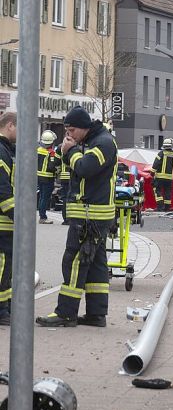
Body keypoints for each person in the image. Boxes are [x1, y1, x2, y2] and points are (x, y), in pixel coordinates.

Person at [36, 107, 118, 328]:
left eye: (72, 130)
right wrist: (69, 151)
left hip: (90, 216)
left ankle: (66, 313)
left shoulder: (103, 143)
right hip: (92, 215)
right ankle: (96, 314)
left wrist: (70, 151)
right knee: (96, 265)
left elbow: (85, 168)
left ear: (83, 127)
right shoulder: (90, 141)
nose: (69, 134)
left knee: (74, 262)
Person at [0, 113, 16, 326]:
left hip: (5, 222)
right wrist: (18, 216)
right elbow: (2, 189)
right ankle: (2, 311)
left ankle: (6, 307)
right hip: (3, 222)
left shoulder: (6, 150)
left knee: (6, 268)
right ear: (10, 125)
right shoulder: (2, 151)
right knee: (3, 267)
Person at [37, 129, 60, 224]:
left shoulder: (38, 150)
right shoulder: (52, 153)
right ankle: (43, 217)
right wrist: (57, 170)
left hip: (38, 177)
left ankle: (41, 215)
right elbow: (51, 167)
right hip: (48, 178)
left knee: (41, 197)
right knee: (45, 198)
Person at [150, 138, 173, 211]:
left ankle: (160, 207)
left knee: (157, 190)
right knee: (167, 192)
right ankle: (167, 207)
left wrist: (152, 173)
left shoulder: (161, 153)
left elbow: (156, 163)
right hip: (169, 178)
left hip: (160, 177)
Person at [55, 144, 72, 225]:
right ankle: (71, 219)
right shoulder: (76, 146)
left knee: (65, 198)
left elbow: (56, 162)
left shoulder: (60, 148)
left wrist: (58, 172)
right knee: (72, 199)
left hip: (64, 177)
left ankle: (65, 219)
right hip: (73, 177)